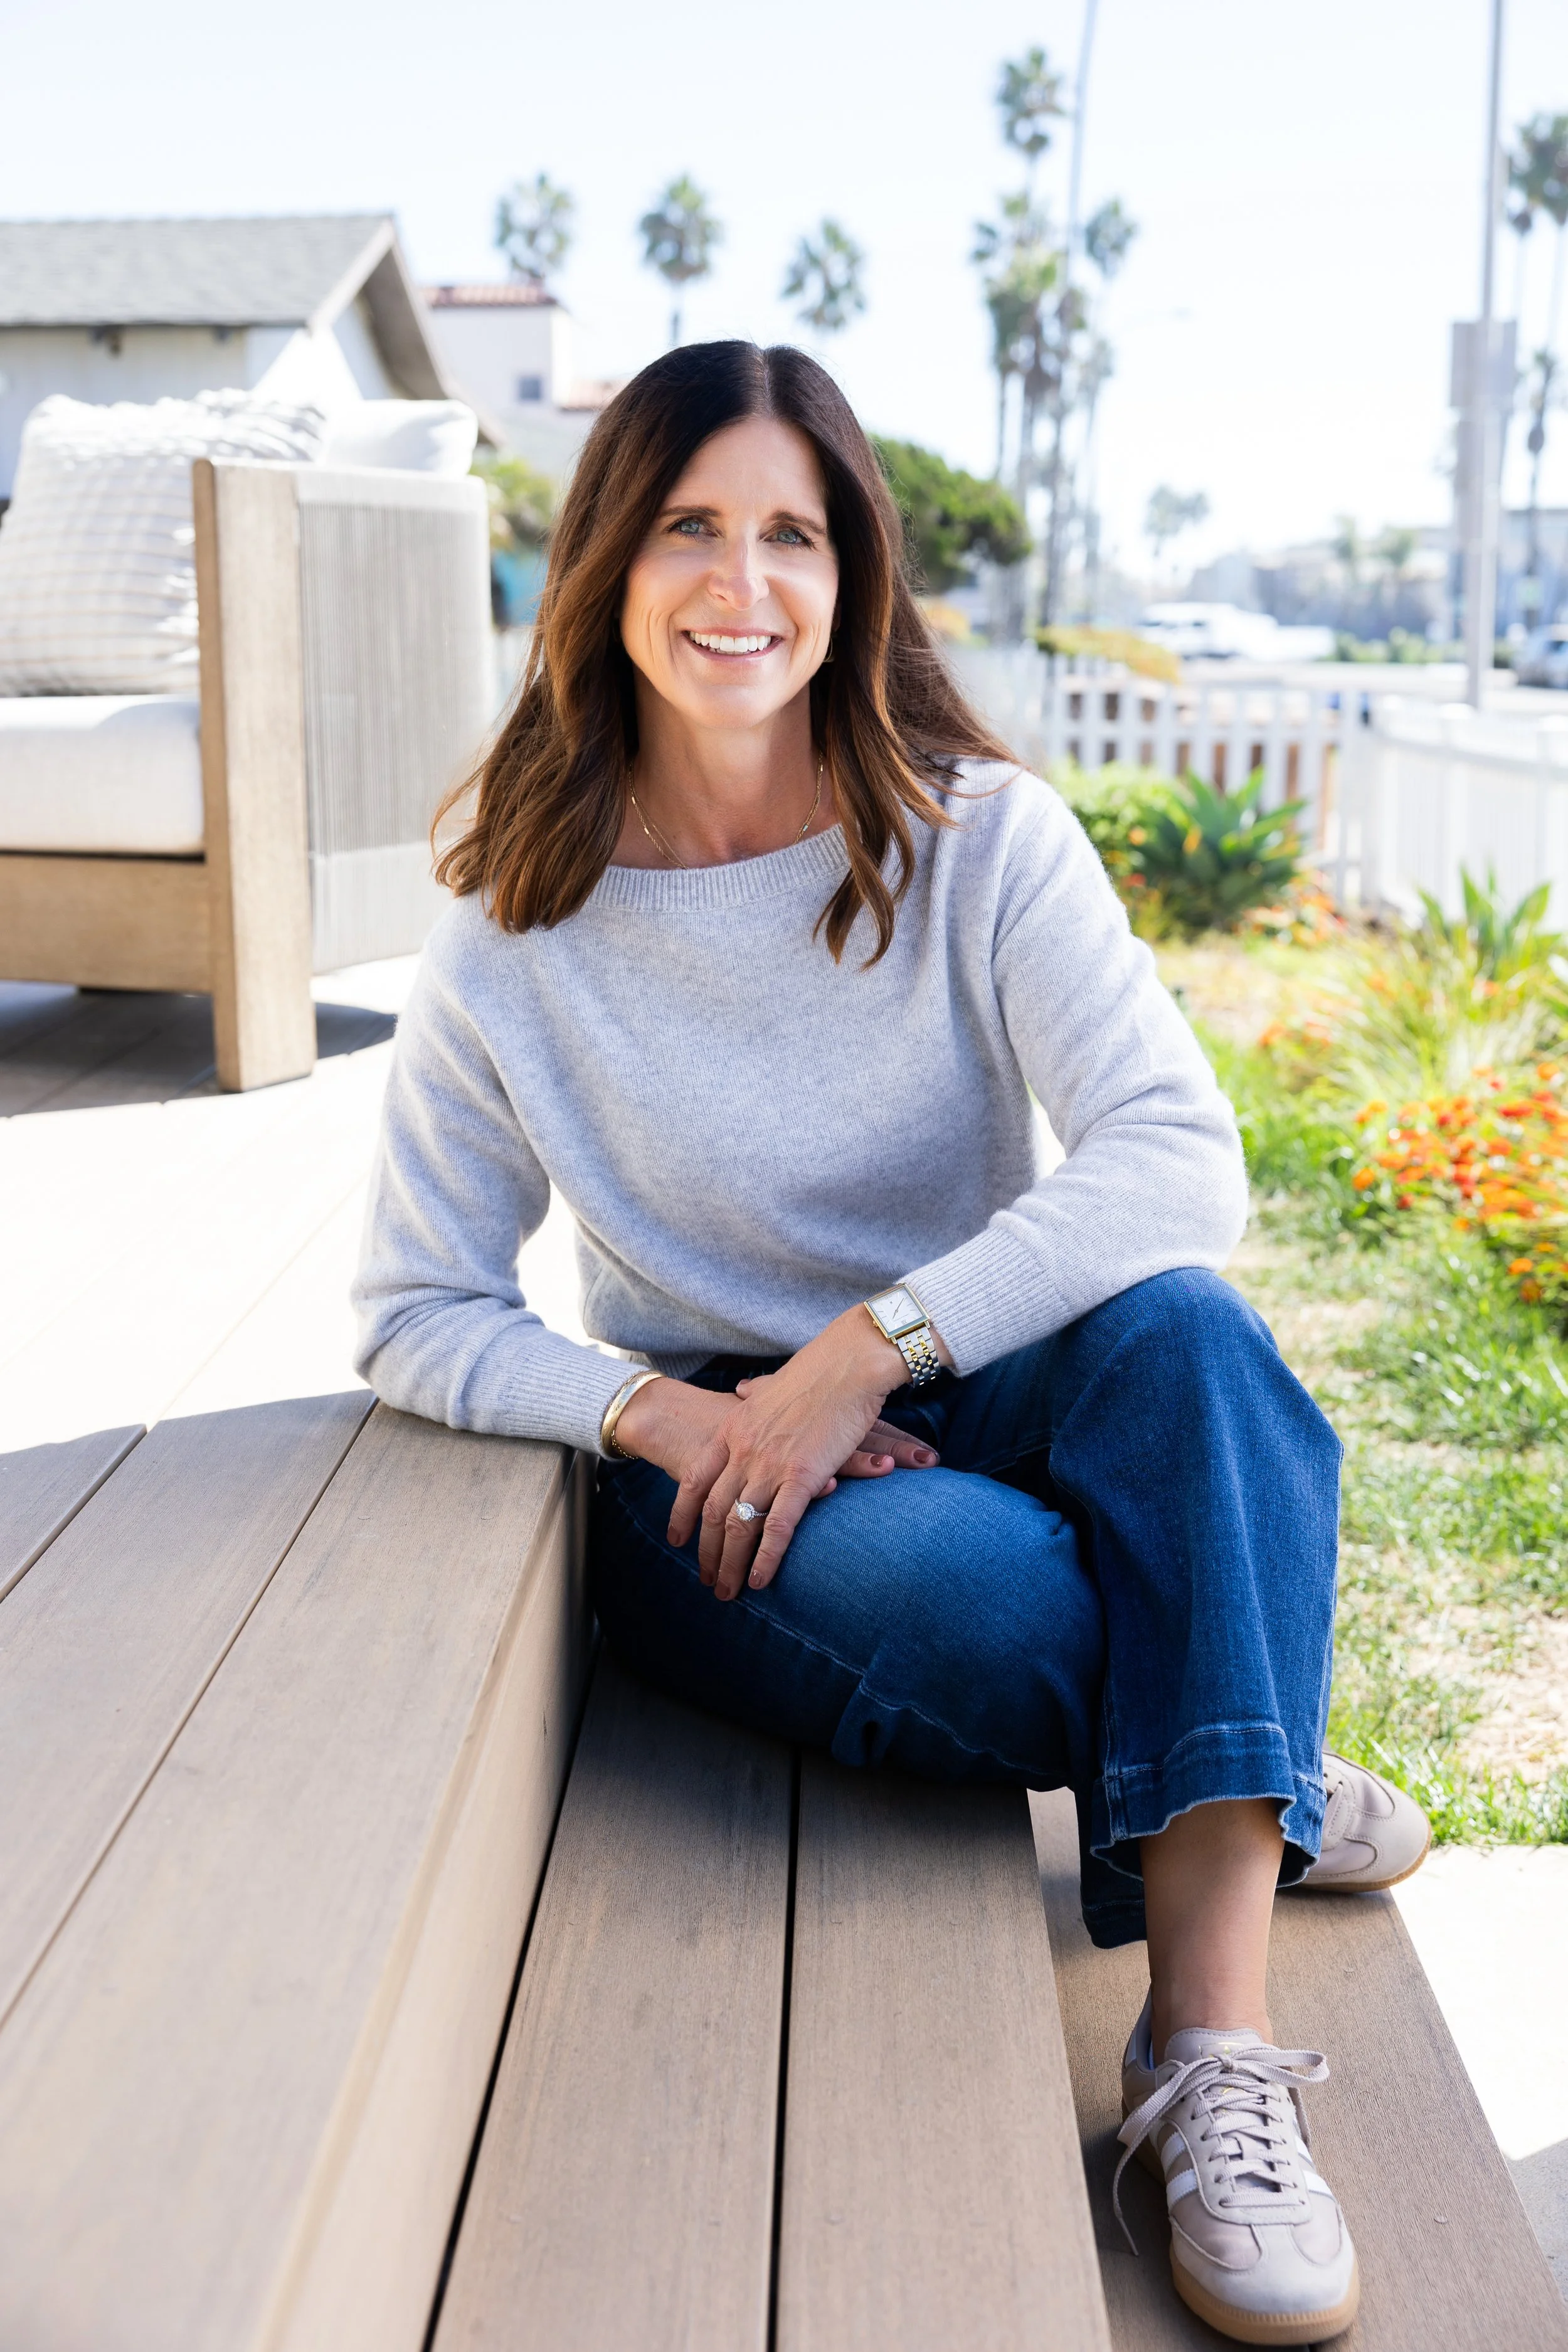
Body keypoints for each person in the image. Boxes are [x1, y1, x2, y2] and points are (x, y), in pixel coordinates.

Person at [352, 339, 1429, 2346]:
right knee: (986, 1610)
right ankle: (1244, 1747)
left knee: (1196, 1343)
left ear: (852, 576)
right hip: (725, 1485)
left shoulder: (974, 840)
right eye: (688, 524)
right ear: (602, 561)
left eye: (791, 531)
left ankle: (1201, 2053)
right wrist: (676, 1413)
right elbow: (415, 1308)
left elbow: (1177, 1161)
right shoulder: (515, 926)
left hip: (975, 1362)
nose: (738, 580)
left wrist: (870, 1345)